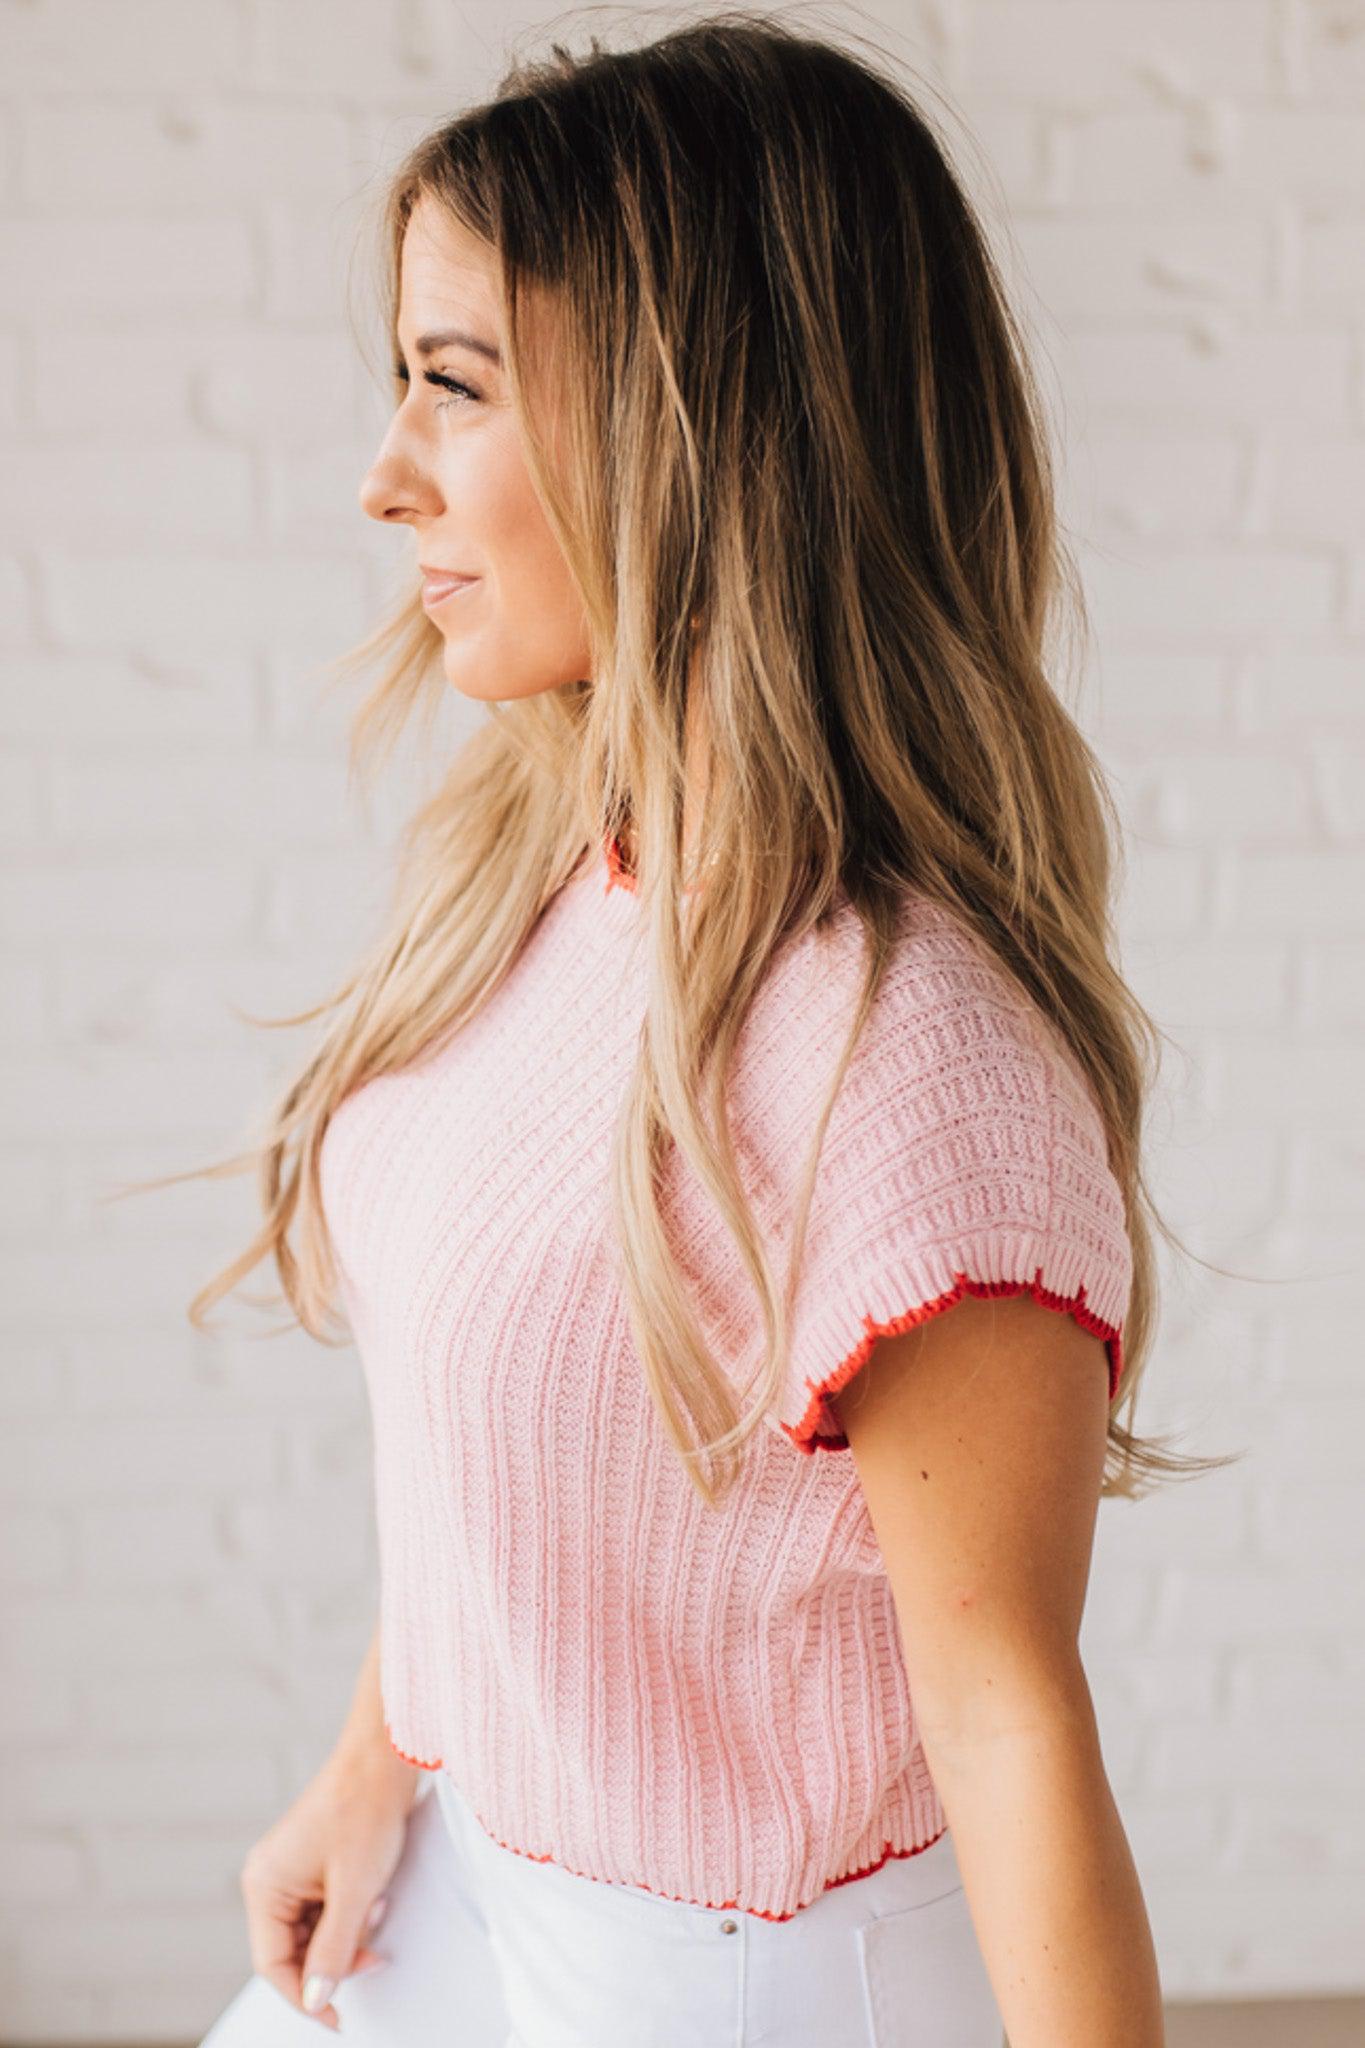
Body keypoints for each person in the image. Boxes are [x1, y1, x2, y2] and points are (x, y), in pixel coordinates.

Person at [179, 15, 1232, 2046]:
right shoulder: (551, 875)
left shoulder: (906, 1061)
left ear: (697, 432)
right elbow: (531, 1447)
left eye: (451, 386)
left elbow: (1005, 1718)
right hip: (474, 1897)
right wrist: (379, 1755)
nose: (382, 472)